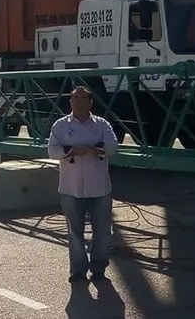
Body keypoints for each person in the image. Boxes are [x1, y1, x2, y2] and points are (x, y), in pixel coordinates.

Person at [47, 86, 119, 283]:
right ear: (70, 102)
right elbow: (52, 151)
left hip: (99, 188)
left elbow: (113, 146)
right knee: (74, 231)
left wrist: (94, 150)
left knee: (103, 231)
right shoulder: (60, 125)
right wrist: (71, 151)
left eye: (82, 97)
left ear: (90, 102)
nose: (78, 101)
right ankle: (78, 270)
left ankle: (98, 269)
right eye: (74, 98)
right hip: (71, 188)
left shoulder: (101, 124)